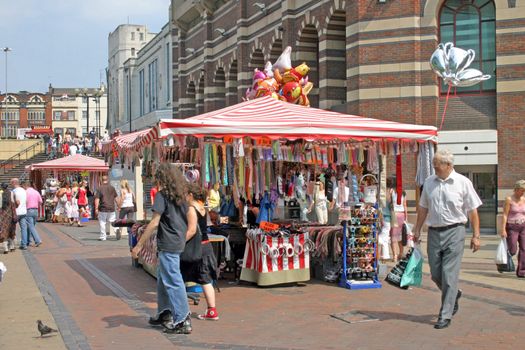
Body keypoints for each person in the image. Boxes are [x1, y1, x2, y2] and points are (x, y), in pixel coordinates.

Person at [413, 149, 482, 330]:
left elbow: (473, 210)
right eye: (434, 165)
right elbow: (422, 208)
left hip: (455, 231)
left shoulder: (463, 183)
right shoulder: (429, 182)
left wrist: (476, 235)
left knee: (449, 275)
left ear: (449, 165)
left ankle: (445, 314)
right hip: (434, 232)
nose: (435, 168)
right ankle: (454, 294)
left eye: (437, 166)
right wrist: (417, 229)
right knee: (436, 273)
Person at [131, 163, 192, 334]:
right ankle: (165, 311)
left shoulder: (162, 195)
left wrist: (139, 244)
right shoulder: (182, 196)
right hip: (178, 240)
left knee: (173, 280)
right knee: (163, 277)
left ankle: (182, 318)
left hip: (169, 242)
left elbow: (154, 222)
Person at [183, 183, 219, 320]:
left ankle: (211, 311)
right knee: (205, 279)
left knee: (202, 279)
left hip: (198, 248)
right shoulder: (201, 207)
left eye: (186, 194)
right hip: (205, 245)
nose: (185, 197)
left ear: (191, 195)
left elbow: (191, 230)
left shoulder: (192, 209)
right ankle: (211, 310)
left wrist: (180, 242)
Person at [500, 179, 525, 278]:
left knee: (524, 248)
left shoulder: (524, 199)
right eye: (522, 190)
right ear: (517, 189)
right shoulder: (509, 199)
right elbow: (505, 215)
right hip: (512, 227)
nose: (523, 192)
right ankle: (502, 263)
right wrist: (502, 229)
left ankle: (522, 271)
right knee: (512, 249)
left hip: (523, 226)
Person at [389, 177, 408, 261]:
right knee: (401, 236)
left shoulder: (391, 191)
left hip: (394, 214)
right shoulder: (403, 193)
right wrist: (406, 217)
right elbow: (405, 205)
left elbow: (389, 204)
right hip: (402, 215)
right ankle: (401, 253)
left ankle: (394, 256)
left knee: (393, 236)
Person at [94, 175, 118, 241]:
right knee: (113, 220)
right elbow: (116, 198)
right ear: (108, 180)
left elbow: (97, 199)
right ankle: (116, 230)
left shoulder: (99, 188)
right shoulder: (112, 188)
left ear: (101, 180)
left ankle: (103, 236)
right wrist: (118, 205)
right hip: (111, 207)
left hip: (103, 208)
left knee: (102, 222)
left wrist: (96, 208)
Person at [10, 178, 29, 250]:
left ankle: (13, 244)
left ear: (14, 183)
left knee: (12, 228)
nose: (10, 184)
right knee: (24, 228)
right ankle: (24, 244)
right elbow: (26, 201)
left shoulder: (14, 191)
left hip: (16, 212)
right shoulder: (24, 190)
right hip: (23, 211)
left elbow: (17, 202)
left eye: (11, 183)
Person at [23, 181, 43, 247]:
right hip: (36, 210)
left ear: (26, 186)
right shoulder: (36, 192)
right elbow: (41, 201)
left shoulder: (25, 192)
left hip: (28, 210)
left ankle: (38, 240)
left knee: (31, 226)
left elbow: (24, 201)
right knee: (31, 226)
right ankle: (29, 241)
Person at [0, 183, 17, 253]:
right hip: (11, 214)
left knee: (3, 230)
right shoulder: (12, 193)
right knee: (11, 230)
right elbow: (14, 204)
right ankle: (12, 246)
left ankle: (5, 248)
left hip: (2, 215)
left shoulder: (0, 194)